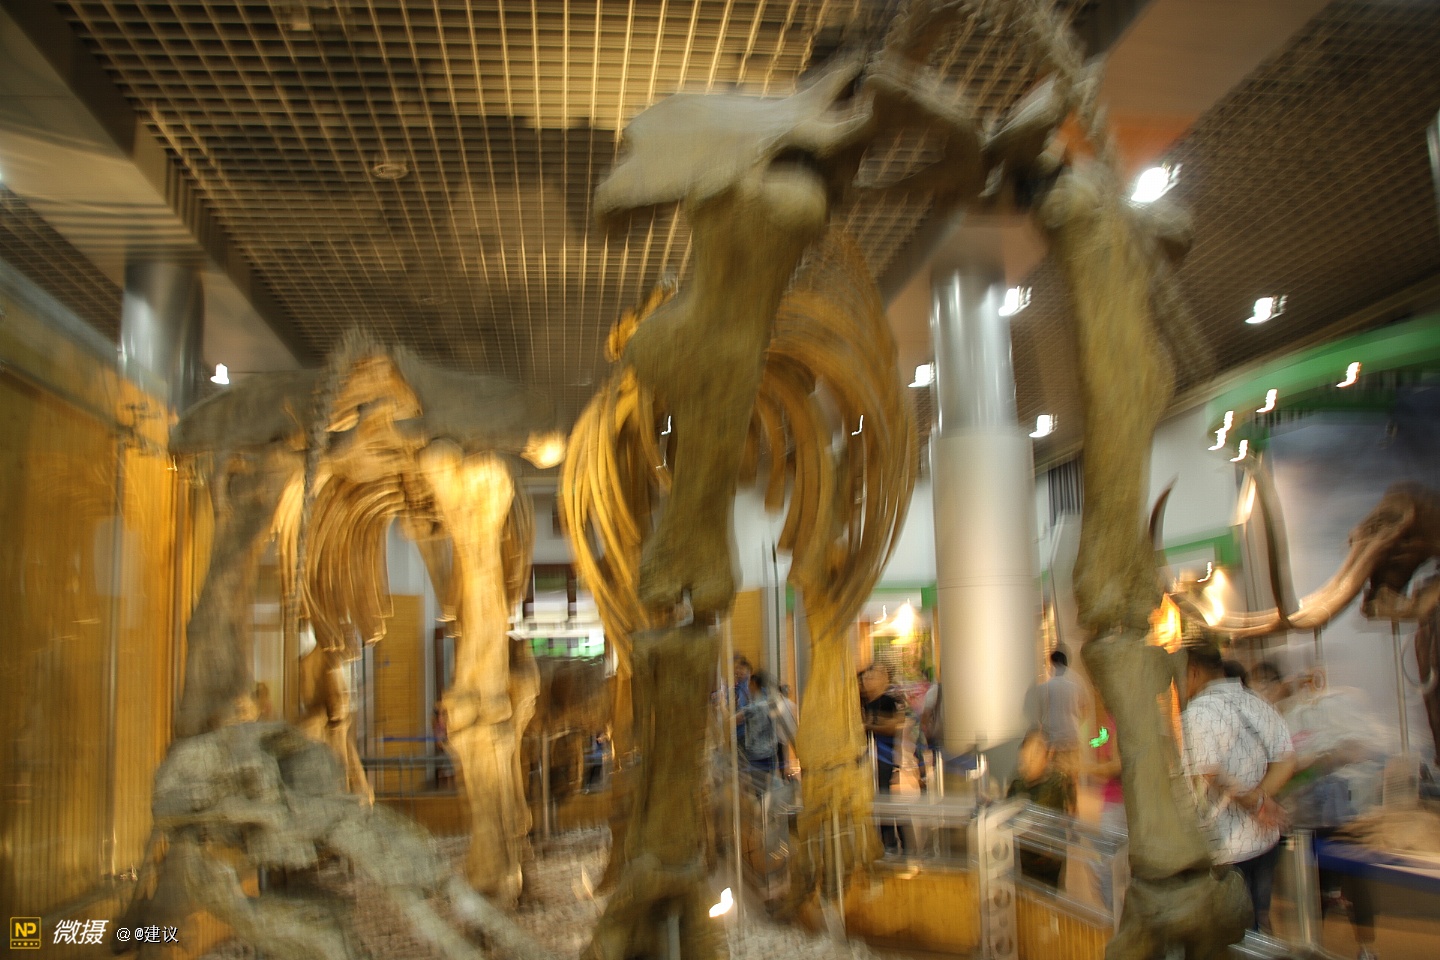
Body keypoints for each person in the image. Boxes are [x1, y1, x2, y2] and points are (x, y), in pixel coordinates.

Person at [1181, 642, 1296, 934]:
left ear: (1192, 671)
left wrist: (1255, 802)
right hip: (1265, 840)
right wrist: (1262, 798)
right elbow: (1286, 759)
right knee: (1259, 921)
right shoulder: (1256, 702)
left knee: (1232, 933)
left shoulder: (1197, 714)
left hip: (1224, 848)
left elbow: (1210, 772)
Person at [1007, 730, 1076, 888]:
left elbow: (1066, 816)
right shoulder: (1017, 784)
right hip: (1025, 857)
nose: (1030, 759)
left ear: (1048, 755)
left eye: (1037, 753)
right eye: (1027, 753)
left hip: (1050, 859)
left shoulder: (1057, 782)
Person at [860, 662, 906, 853]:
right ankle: (884, 841)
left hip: (884, 758)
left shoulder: (888, 701)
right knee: (877, 799)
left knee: (885, 799)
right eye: (866, 677)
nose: (867, 681)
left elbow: (892, 727)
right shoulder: (865, 702)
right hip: (870, 759)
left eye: (872, 677)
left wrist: (869, 725)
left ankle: (895, 841)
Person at [1024, 649, 1087, 782]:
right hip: (1072, 736)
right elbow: (1085, 709)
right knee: (1072, 775)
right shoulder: (1075, 686)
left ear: (1051, 665)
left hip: (1054, 740)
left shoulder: (1044, 688)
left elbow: (1036, 714)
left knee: (1056, 776)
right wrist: (1076, 723)